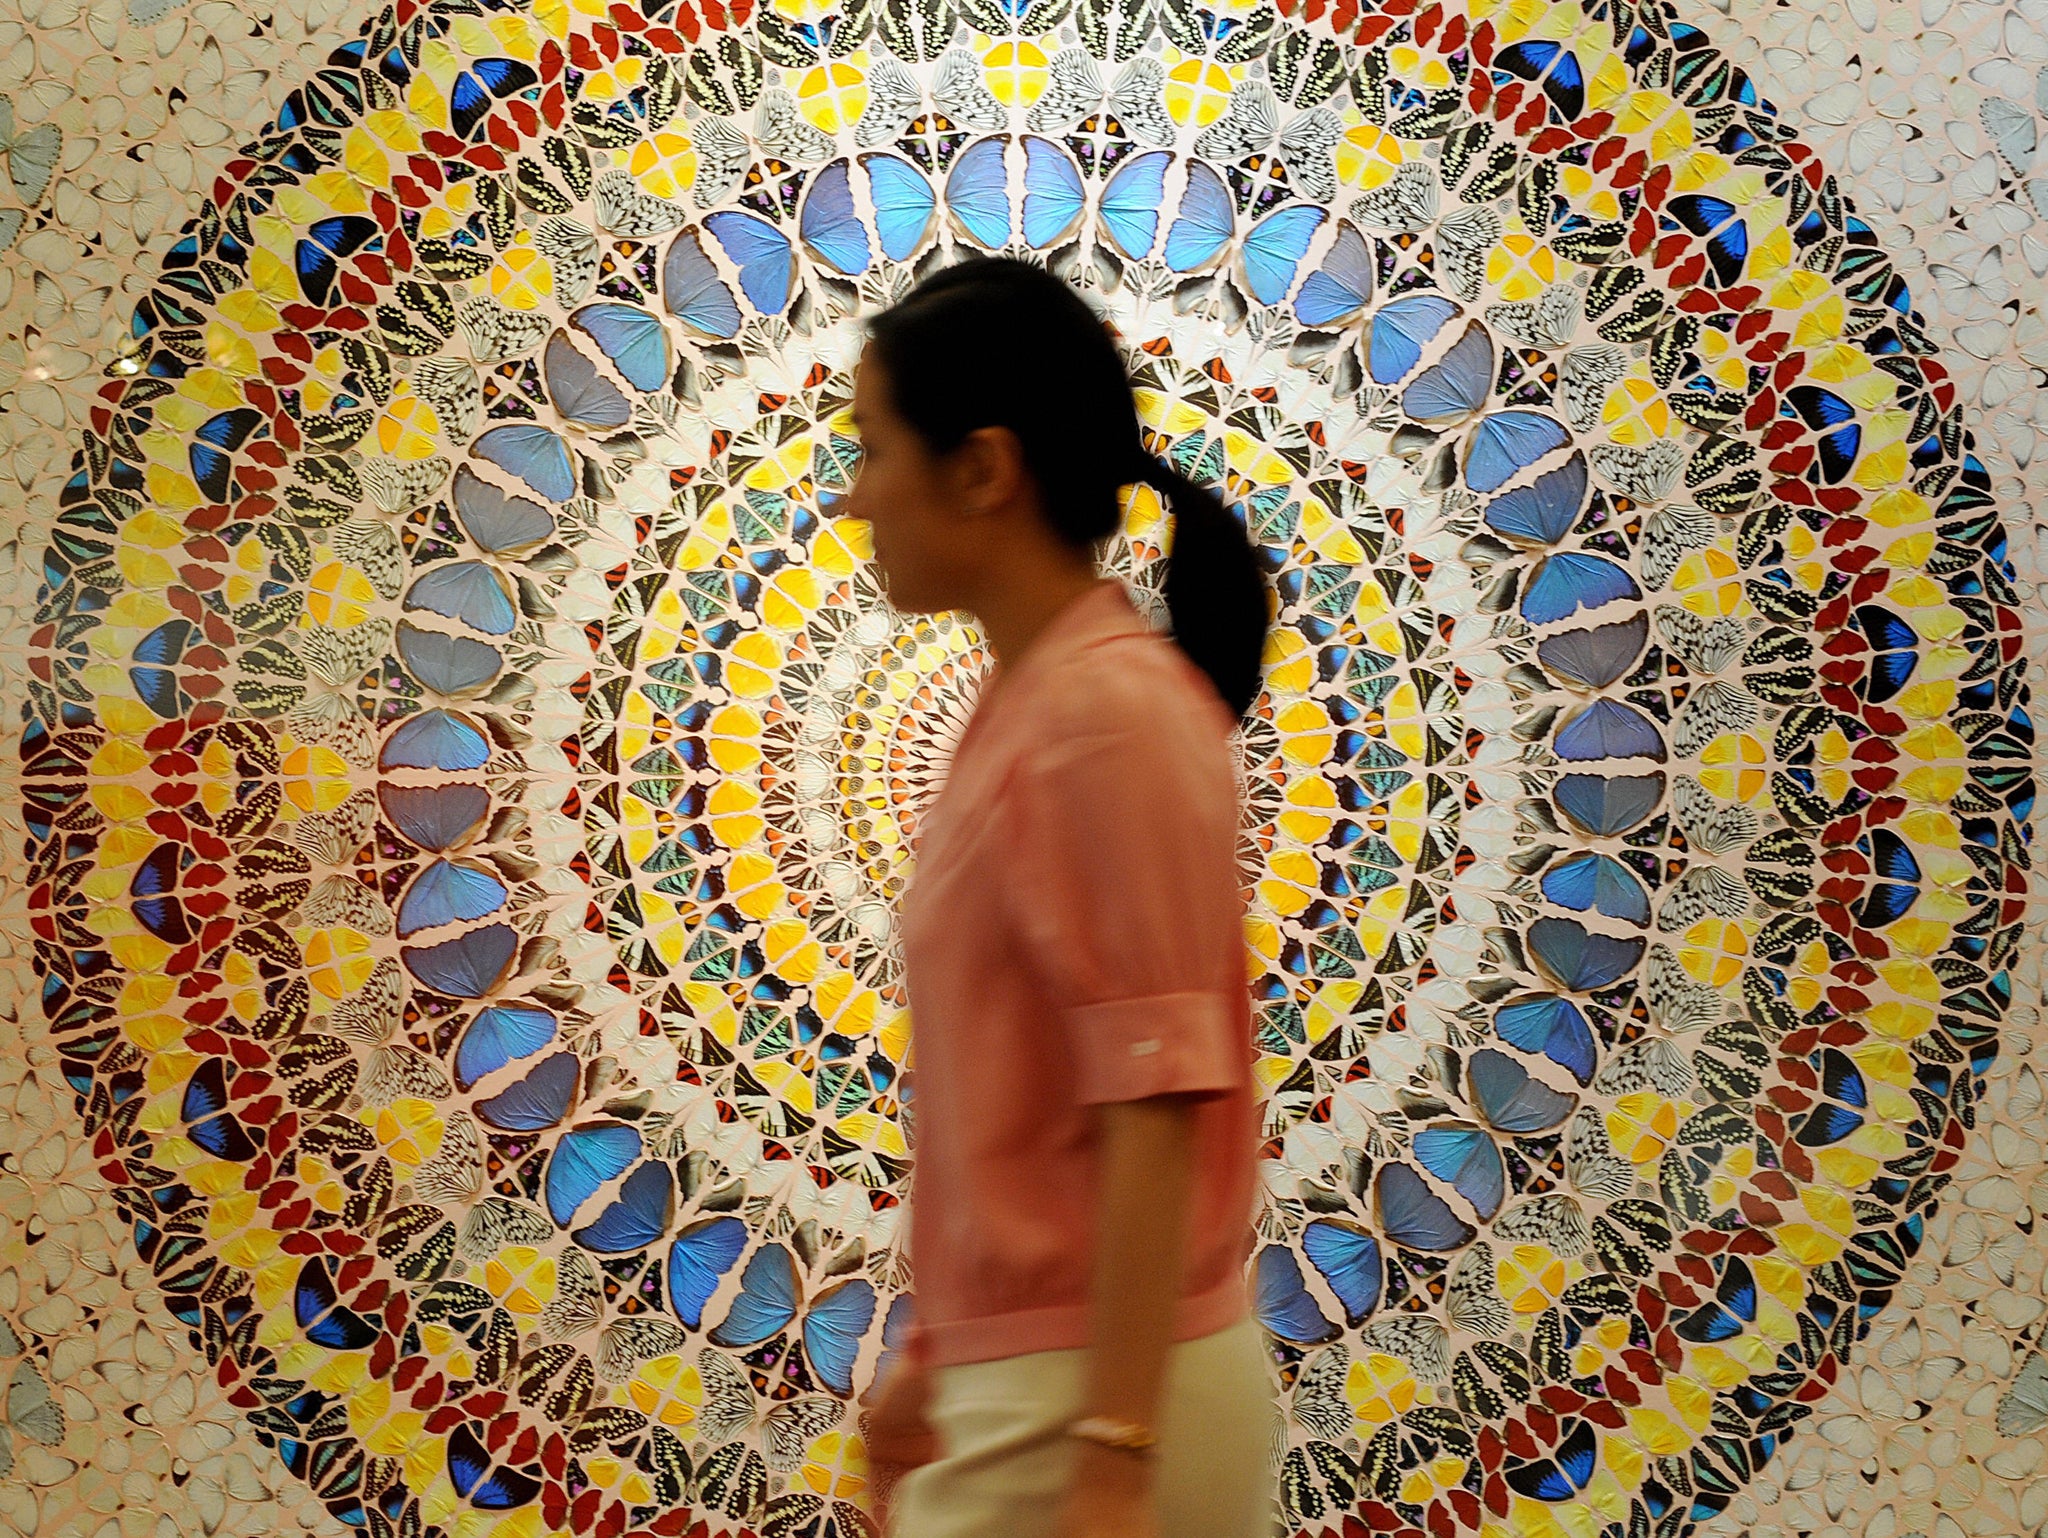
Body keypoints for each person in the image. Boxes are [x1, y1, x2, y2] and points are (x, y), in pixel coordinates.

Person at [832, 256, 1277, 1538]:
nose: (854, 500)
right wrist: (939, 1350)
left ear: (981, 469)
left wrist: (1109, 1450)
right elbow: (1044, 1098)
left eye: (872, 450)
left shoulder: (1098, 714)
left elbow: (1156, 1095)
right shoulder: (1042, 701)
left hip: (1085, 1403)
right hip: (1040, 1381)